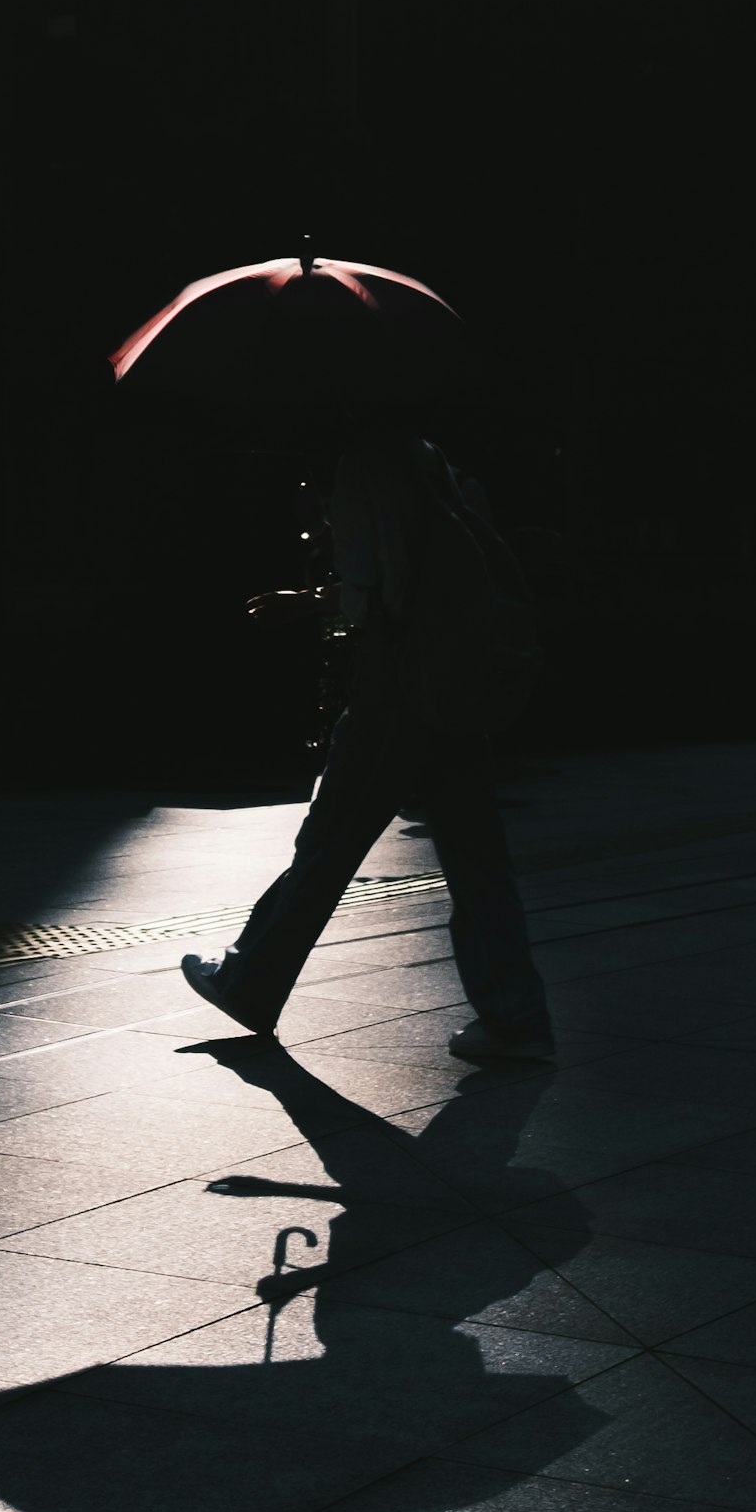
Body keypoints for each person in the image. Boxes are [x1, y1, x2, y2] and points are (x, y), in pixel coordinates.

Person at [183, 421, 555, 1064]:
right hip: (452, 682)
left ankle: (250, 978)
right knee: (476, 855)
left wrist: (313, 598)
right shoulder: (428, 457)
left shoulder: (364, 464)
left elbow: (374, 590)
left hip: (397, 687)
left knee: (330, 842)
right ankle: (515, 1015)